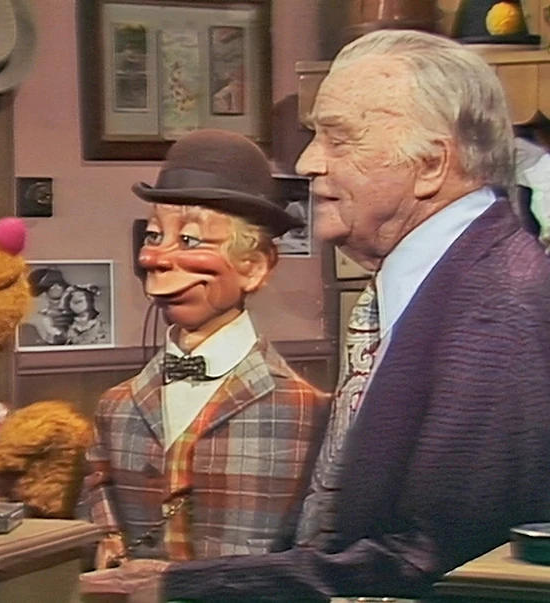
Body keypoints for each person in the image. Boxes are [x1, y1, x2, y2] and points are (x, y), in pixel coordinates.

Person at [157, 29, 550, 602]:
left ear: (431, 165)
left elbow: (437, 557)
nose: (308, 162)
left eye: (338, 138)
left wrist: (184, 586)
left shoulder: (498, 307)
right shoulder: (446, 283)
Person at [77, 129, 328, 570]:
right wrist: (106, 539)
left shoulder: (309, 413)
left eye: (189, 240)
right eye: (153, 237)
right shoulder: (116, 408)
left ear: (254, 266)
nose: (155, 259)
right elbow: (96, 513)